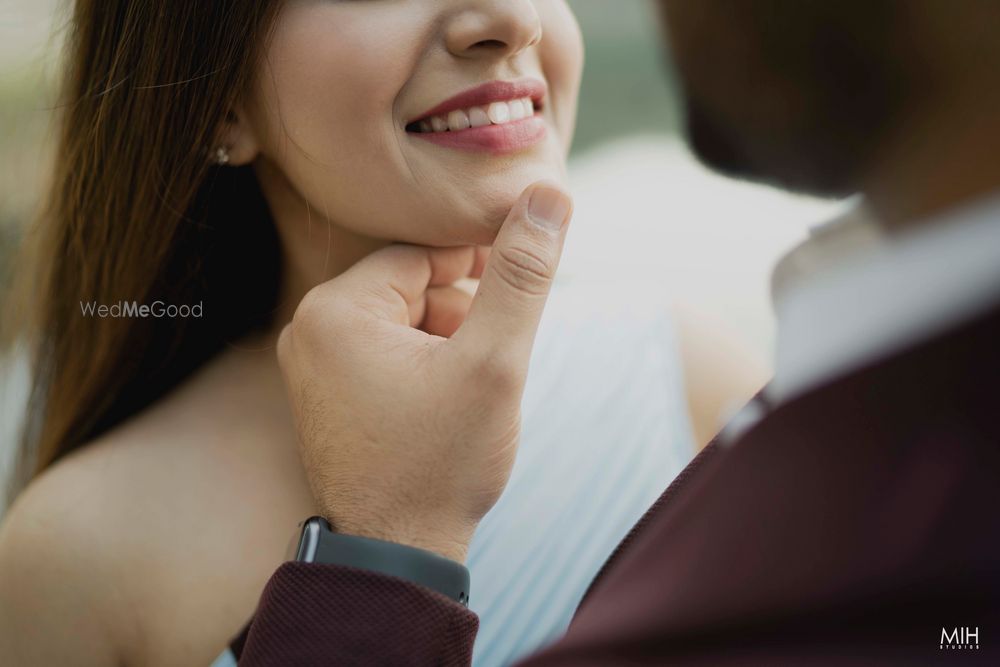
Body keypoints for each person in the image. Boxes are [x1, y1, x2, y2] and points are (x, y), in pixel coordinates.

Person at [227, 0, 999, 664]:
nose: (518, 18)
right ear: (218, 103)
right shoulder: (108, 548)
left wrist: (378, 566)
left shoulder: (680, 373)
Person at [0, 1, 764, 666]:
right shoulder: (74, 561)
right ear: (218, 103)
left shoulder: (696, 386)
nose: (512, 18)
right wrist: (390, 546)